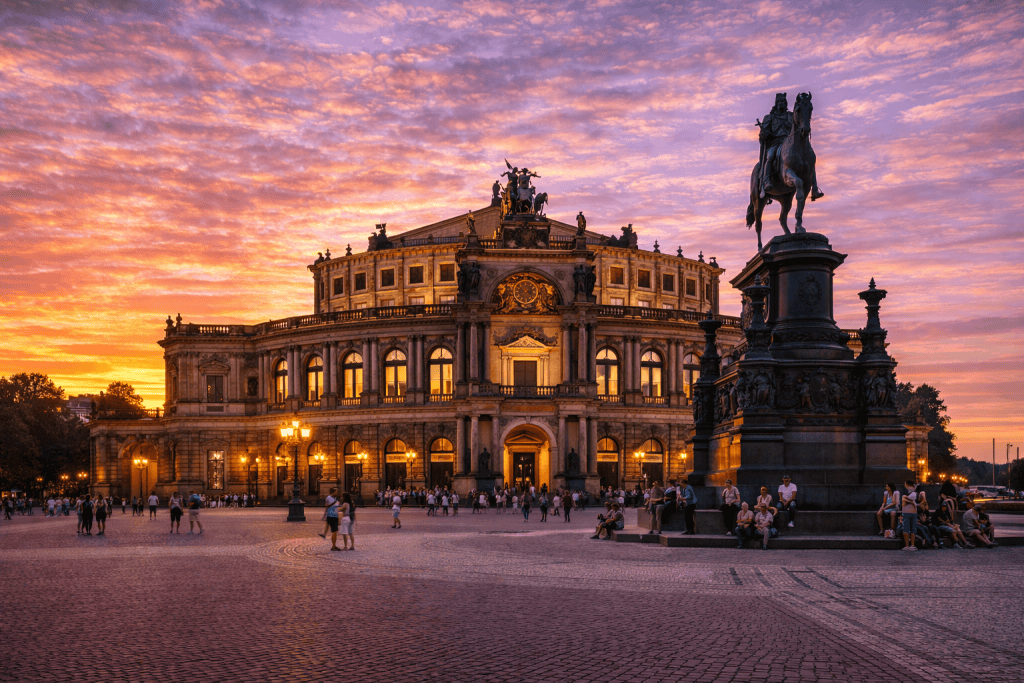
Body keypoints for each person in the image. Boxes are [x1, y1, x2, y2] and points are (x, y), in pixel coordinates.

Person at [900, 480, 918, 551]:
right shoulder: (912, 493)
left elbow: (903, 502)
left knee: (907, 528)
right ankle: (912, 545)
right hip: (913, 512)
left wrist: (904, 499)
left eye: (905, 484)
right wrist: (911, 502)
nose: (904, 485)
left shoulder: (912, 493)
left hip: (907, 512)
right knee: (912, 528)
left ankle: (907, 545)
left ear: (908, 485)